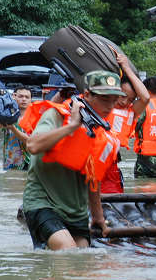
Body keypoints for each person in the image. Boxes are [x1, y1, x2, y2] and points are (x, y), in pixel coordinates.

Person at [22, 71, 123, 250]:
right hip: (44, 202)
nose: (110, 106)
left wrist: (98, 216)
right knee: (67, 252)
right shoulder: (57, 115)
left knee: (80, 262)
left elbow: (94, 177)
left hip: (76, 211)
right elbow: (33, 145)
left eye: (114, 100)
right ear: (88, 95)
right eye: (105, 99)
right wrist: (72, 126)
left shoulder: (103, 134)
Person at [100, 52, 151, 194]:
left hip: (112, 167)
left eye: (130, 99)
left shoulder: (130, 111)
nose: (124, 102)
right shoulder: (100, 106)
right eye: (123, 96)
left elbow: (145, 97)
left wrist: (126, 67)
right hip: (92, 163)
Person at [0, 86, 33, 171]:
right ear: (14, 97)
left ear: (30, 100)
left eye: (27, 97)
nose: (24, 99)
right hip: (11, 162)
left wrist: (12, 128)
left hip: (30, 162)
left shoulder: (34, 118)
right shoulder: (7, 116)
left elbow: (29, 140)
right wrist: (1, 109)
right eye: (21, 96)